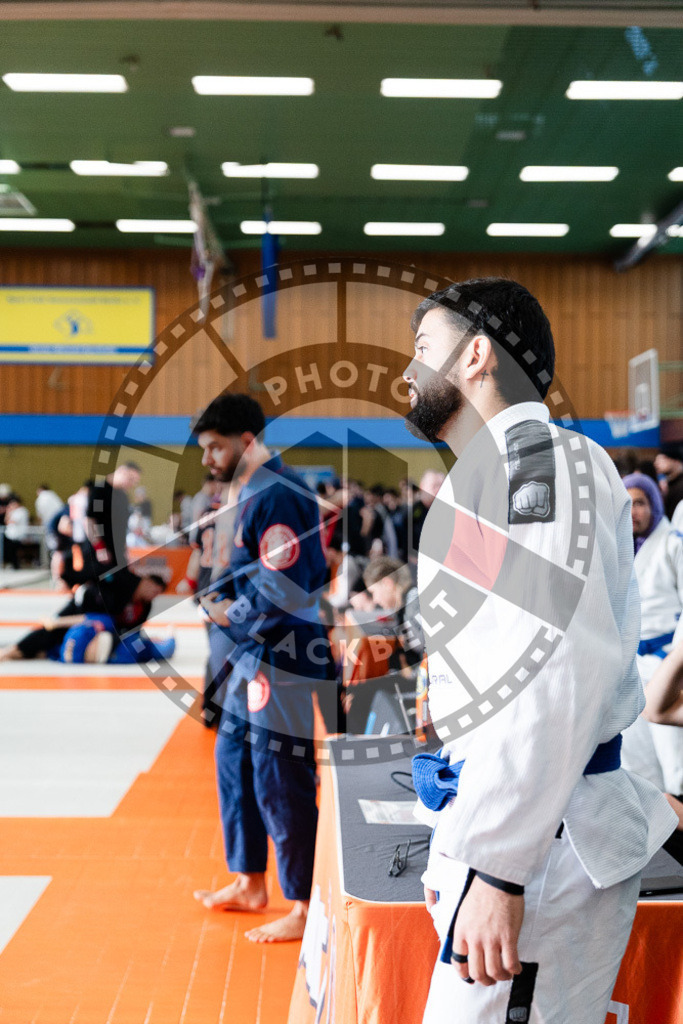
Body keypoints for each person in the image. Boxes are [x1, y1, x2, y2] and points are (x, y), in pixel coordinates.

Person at [400, 278, 676, 1023]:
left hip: (539, 843)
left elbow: (549, 674)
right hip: (519, 822)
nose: (408, 371)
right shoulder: (499, 470)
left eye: (422, 348)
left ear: (476, 355)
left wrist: (498, 868)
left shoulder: (535, 468)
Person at [190, 393, 332, 943]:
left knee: (279, 773)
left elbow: (286, 581)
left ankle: (303, 901)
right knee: (233, 760)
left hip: (281, 650)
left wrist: (230, 613)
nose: (207, 458)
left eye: (215, 447)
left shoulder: (277, 492)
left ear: (246, 441)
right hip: (247, 652)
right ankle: (249, 879)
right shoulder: (246, 491)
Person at [620, 471, 683, 796]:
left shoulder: (673, 542)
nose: (634, 511)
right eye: (628, 503)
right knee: (637, 753)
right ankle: (657, 811)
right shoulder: (619, 548)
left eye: (641, 503)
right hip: (631, 665)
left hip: (667, 660)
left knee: (674, 755)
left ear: (655, 505)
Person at [0, 571, 168, 663]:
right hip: (83, 609)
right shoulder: (125, 582)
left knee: (56, 644)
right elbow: (97, 575)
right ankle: (11, 650)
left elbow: (133, 629)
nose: (153, 595)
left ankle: (19, 652)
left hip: (101, 627)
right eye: (154, 590)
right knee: (50, 632)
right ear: (146, 581)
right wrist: (72, 580)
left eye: (157, 594)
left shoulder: (145, 606)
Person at [85, 462, 142, 576]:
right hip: (102, 553)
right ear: (121, 472)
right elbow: (90, 521)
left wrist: (125, 550)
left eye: (134, 482)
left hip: (118, 552)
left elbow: (122, 526)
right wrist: (99, 547)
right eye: (130, 479)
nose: (131, 484)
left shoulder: (123, 496)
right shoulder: (100, 491)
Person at [654, 447, 683, 522]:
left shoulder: (679, 486)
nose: (656, 463)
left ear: (676, 461)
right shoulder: (669, 484)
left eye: (662, 459)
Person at [3, 495, 30, 569]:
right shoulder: (14, 511)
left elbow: (10, 521)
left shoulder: (21, 511)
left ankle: (15, 565)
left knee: (13, 551)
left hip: (17, 536)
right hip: (11, 536)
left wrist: (8, 512)